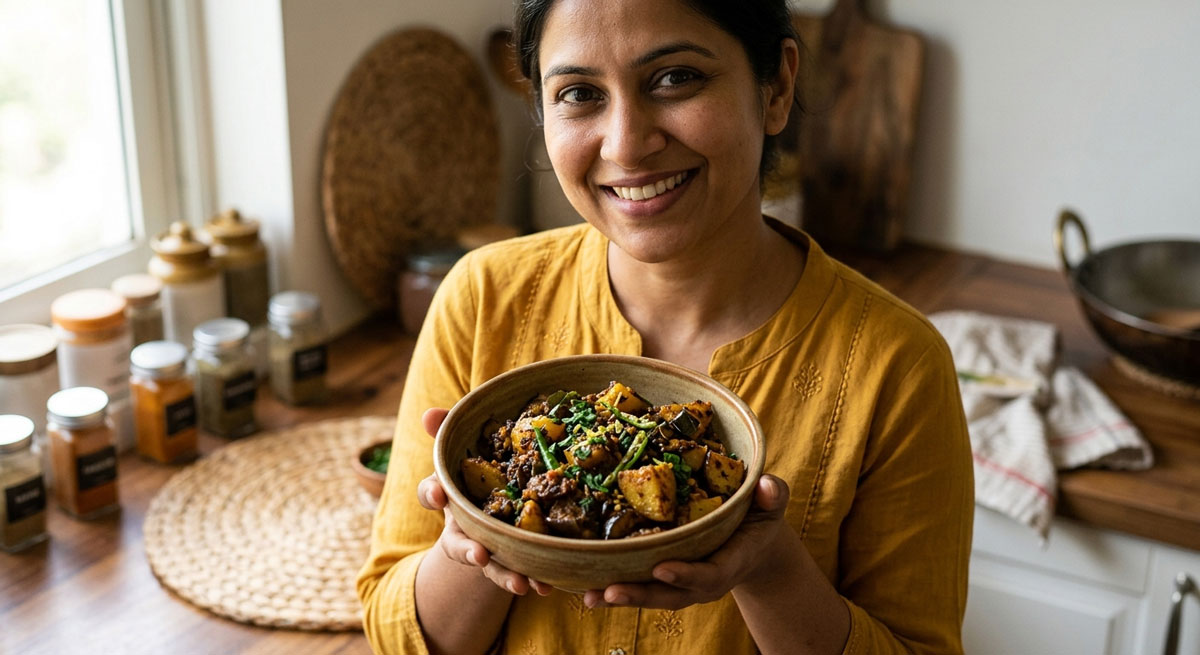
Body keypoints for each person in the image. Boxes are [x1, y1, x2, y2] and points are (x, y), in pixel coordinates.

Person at [357, 0, 974, 653]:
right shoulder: (481, 300)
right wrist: (476, 542)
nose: (625, 142)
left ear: (777, 88)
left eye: (676, 78)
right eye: (579, 93)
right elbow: (394, 628)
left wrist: (767, 568)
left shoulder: (897, 366)